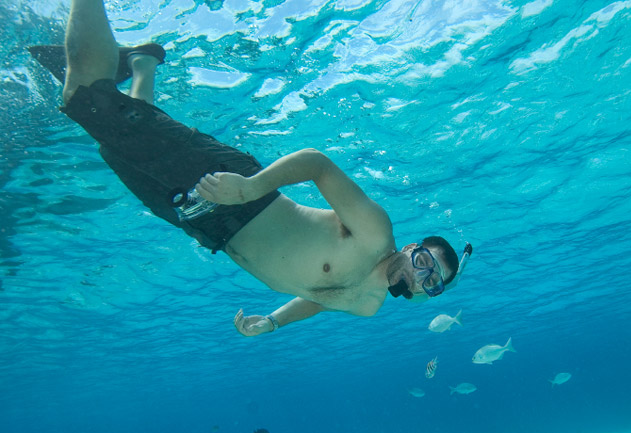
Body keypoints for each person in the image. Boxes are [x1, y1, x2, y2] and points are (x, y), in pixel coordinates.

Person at [31, 0, 469, 336]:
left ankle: (143, 63)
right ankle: (116, 67)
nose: (419, 276)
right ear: (413, 247)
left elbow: (319, 298)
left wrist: (274, 323)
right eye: (424, 261)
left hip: (210, 229)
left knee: (114, 146)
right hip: (235, 192)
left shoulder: (369, 304)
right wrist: (250, 187)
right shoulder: (375, 233)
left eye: (431, 283)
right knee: (87, 101)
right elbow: (317, 164)